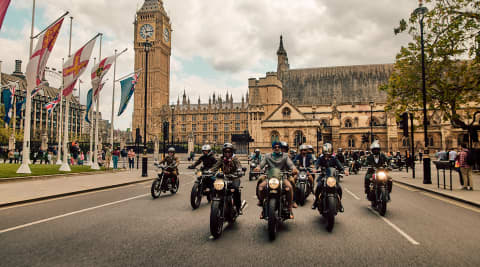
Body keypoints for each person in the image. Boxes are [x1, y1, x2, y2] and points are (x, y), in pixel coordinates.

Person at [255, 141, 298, 219]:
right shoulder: (268, 156)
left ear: (281, 148)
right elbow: (261, 164)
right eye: (275, 147)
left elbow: (291, 164)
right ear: (273, 148)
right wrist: (258, 168)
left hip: (282, 177)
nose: (277, 148)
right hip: (270, 177)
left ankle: (289, 207)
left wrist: (294, 169)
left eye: (278, 147)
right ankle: (262, 204)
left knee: (289, 187)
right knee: (261, 187)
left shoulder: (285, 156)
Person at [209, 143, 244, 214]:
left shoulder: (235, 159)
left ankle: (238, 207)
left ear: (232, 152)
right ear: (223, 152)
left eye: (229, 151)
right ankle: (215, 203)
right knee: (215, 187)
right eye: (225, 152)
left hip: (234, 177)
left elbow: (239, 166)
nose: (227, 153)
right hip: (224, 178)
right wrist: (210, 171)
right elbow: (215, 167)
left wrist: (240, 171)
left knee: (236, 190)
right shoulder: (221, 159)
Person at [312, 143, 346, 210]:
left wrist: (344, 170)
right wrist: (315, 169)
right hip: (323, 176)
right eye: (326, 152)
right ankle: (315, 202)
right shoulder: (321, 158)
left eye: (329, 152)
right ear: (323, 152)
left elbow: (339, 165)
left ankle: (340, 203)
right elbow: (317, 164)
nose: (327, 154)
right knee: (318, 187)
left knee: (339, 188)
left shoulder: (334, 158)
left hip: (332, 177)